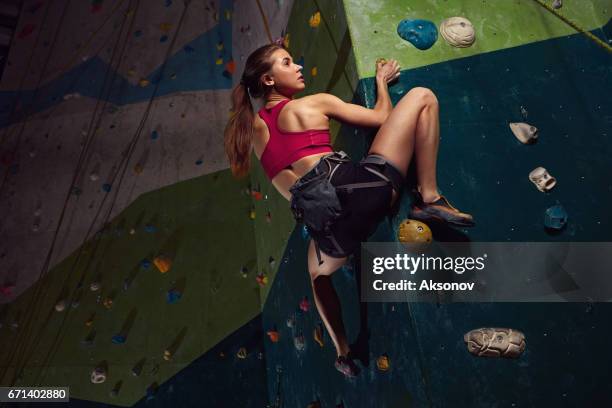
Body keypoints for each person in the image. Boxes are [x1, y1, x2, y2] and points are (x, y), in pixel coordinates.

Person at [224, 43, 474, 377]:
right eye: (288, 62)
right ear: (269, 79)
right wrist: (382, 82)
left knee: (317, 274)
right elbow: (381, 117)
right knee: (423, 97)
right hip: (366, 194)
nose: (297, 66)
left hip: (333, 233)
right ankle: (429, 198)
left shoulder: (253, 134)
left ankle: (342, 351)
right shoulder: (315, 103)